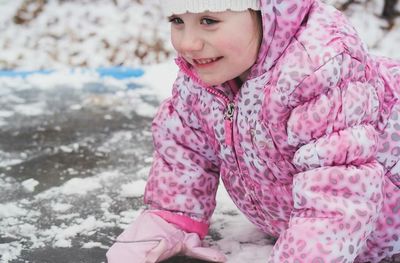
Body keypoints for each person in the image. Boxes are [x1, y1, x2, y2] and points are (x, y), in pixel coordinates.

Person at [107, 0, 400, 262]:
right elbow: (185, 147)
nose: (188, 43)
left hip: (376, 229)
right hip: (298, 226)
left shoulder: (318, 72)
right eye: (177, 21)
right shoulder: (205, 77)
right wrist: (171, 218)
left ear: (267, 12)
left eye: (209, 20)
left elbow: (338, 193)